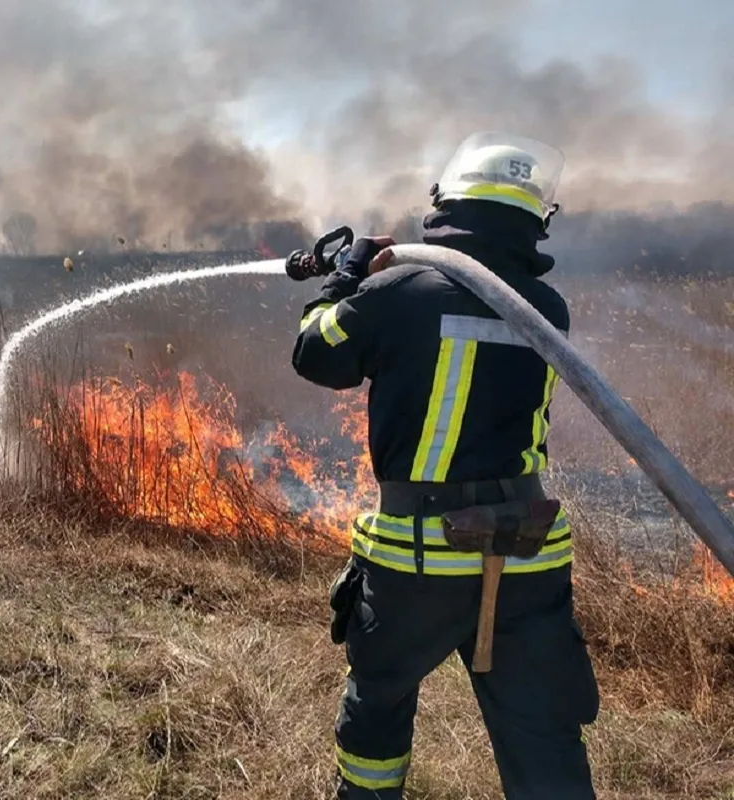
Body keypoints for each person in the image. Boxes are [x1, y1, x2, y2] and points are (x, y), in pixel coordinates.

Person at [289, 131, 599, 799]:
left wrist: (345, 280)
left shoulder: (400, 290)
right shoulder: (547, 309)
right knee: (543, 735)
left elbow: (315, 352)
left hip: (419, 560)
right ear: (535, 218)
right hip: (525, 555)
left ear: (448, 200)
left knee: (379, 707)